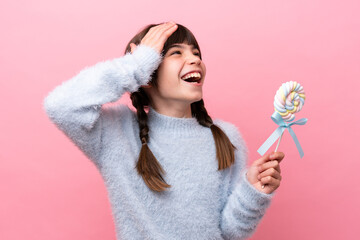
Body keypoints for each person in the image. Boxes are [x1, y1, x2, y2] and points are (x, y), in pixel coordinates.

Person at [43, 21, 285, 240]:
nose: (194, 60)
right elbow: (61, 106)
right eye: (176, 53)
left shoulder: (225, 137)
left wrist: (253, 191)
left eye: (196, 53)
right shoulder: (117, 133)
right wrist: (136, 65)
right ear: (148, 73)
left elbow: (230, 233)